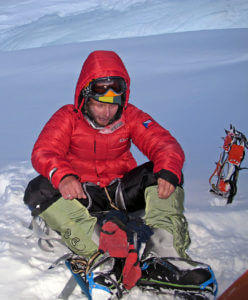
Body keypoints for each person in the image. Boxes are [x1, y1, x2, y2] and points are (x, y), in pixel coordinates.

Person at [23, 50, 190, 263]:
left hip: (121, 192)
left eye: (112, 105)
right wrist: (64, 176)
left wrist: (168, 169)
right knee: (38, 189)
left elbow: (164, 143)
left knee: (163, 172)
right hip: (82, 195)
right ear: (85, 99)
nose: (106, 113)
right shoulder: (67, 117)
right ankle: (98, 249)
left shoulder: (131, 115)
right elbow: (44, 151)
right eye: (100, 104)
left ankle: (165, 254)